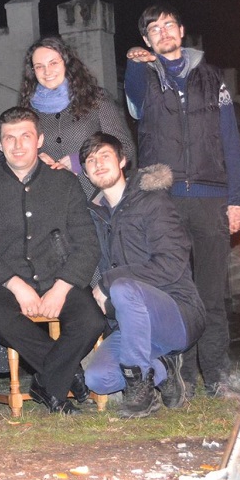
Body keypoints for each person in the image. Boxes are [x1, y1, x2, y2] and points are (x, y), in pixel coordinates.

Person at [124, 5, 240, 398]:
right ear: (146, 41)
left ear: (182, 30)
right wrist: (133, 63)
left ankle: (216, 375)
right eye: (153, 30)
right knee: (176, 290)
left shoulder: (213, 80)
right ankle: (183, 377)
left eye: (168, 25)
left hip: (211, 199)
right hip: (166, 200)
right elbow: (134, 100)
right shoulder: (143, 76)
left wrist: (238, 198)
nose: (163, 33)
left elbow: (231, 140)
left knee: (212, 292)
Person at [0, 107, 105, 413]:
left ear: (40, 140)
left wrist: (62, 288)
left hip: (59, 276)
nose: (18, 145)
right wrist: (15, 284)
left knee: (91, 320)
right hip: (7, 281)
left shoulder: (65, 183)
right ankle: (67, 375)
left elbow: (87, 243)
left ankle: (48, 383)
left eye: (26, 136)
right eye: (10, 138)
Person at [79, 132, 205, 418]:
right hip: (132, 325)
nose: (98, 163)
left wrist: (108, 282)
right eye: (90, 160)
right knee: (97, 379)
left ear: (122, 160)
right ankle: (164, 368)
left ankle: (140, 392)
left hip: (177, 312)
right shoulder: (94, 215)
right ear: (85, 172)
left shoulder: (153, 203)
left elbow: (172, 264)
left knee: (123, 287)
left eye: (105, 156)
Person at [19, 36, 135, 197]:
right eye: (39, 66)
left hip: (96, 199)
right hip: (53, 199)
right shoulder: (28, 110)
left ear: (67, 63)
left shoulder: (96, 99)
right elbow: (19, 155)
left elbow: (125, 147)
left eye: (53, 63)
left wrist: (82, 161)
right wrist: (35, 161)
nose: (47, 72)